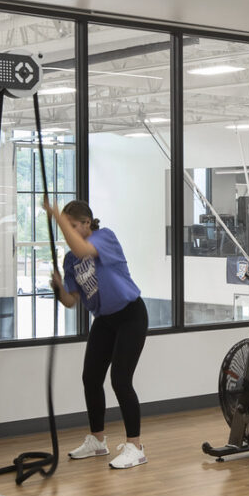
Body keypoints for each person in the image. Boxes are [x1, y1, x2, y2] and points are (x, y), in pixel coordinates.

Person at [47, 199, 149, 470]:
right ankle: (97, 440)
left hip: (130, 315)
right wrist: (58, 288)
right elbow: (71, 301)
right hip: (104, 320)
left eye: (71, 226)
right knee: (91, 378)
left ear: (87, 224)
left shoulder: (105, 238)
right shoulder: (70, 260)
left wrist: (57, 215)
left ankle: (136, 447)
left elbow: (83, 248)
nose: (66, 232)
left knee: (120, 380)